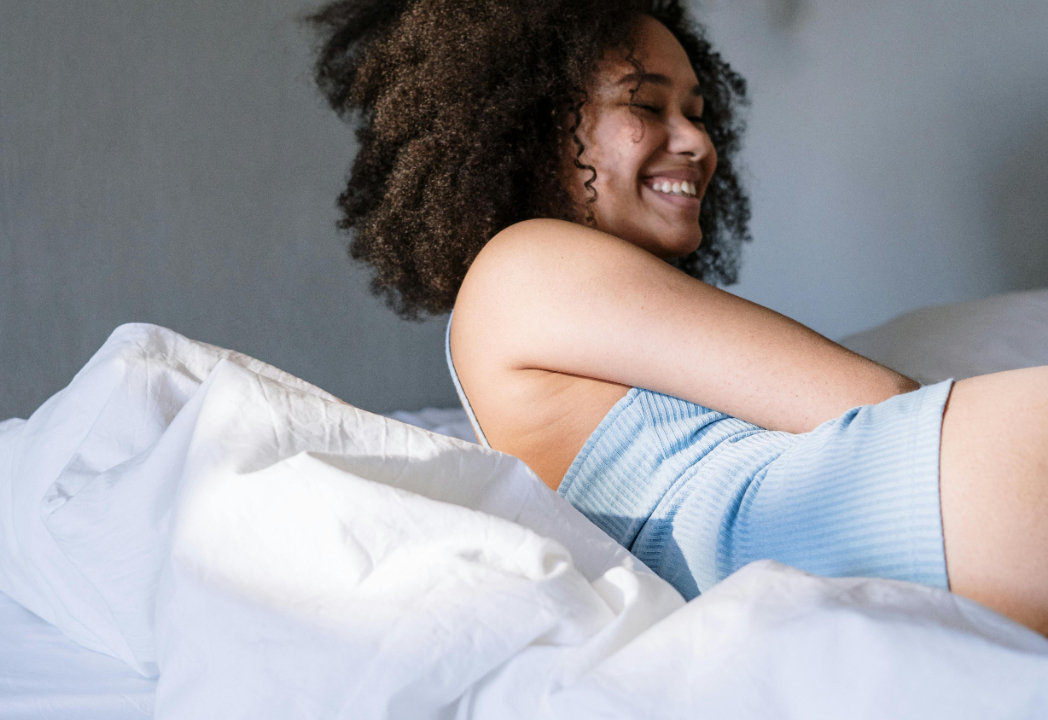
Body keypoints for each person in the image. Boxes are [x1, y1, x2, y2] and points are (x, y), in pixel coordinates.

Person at [309, 0, 1048, 634]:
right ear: (533, 123)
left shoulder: (541, 295)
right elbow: (878, 402)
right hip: (878, 510)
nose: (699, 142)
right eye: (644, 103)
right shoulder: (521, 264)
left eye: (697, 113)